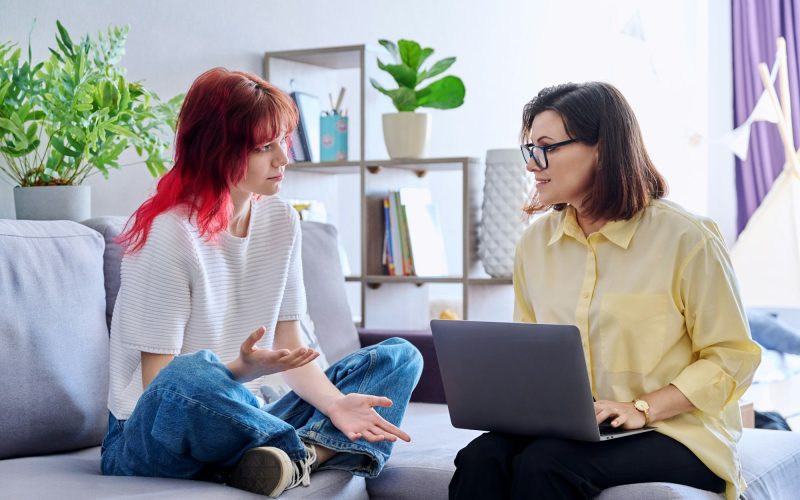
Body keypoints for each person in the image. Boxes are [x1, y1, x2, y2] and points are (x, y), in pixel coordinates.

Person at [100, 67, 423, 498]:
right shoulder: (170, 233)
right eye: (264, 147)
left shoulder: (282, 221)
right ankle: (305, 449)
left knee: (400, 358)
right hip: (150, 436)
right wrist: (241, 369)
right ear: (218, 149)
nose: (283, 159)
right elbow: (162, 387)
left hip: (248, 417)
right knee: (193, 373)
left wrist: (334, 404)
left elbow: (292, 347)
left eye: (283, 141)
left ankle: (287, 458)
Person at [449, 82, 761, 500]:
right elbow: (530, 354)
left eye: (546, 147)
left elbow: (732, 357)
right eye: (529, 149)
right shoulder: (535, 245)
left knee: (545, 464)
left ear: (601, 148)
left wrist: (641, 408)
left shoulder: (688, 238)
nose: (532, 165)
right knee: (481, 457)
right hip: (578, 429)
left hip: (676, 431)